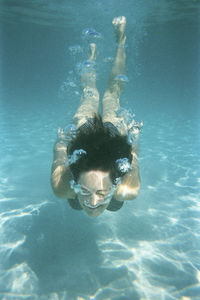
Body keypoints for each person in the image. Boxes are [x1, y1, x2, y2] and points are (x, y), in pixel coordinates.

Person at [51, 16, 141, 217]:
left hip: (84, 130)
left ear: (115, 184)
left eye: (102, 192)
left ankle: (107, 49)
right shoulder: (129, 189)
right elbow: (133, 154)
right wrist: (133, 135)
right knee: (112, 94)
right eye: (84, 191)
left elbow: (60, 151)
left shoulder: (61, 188)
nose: (92, 203)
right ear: (74, 183)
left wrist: (62, 142)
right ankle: (111, 47)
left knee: (91, 94)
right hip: (113, 134)